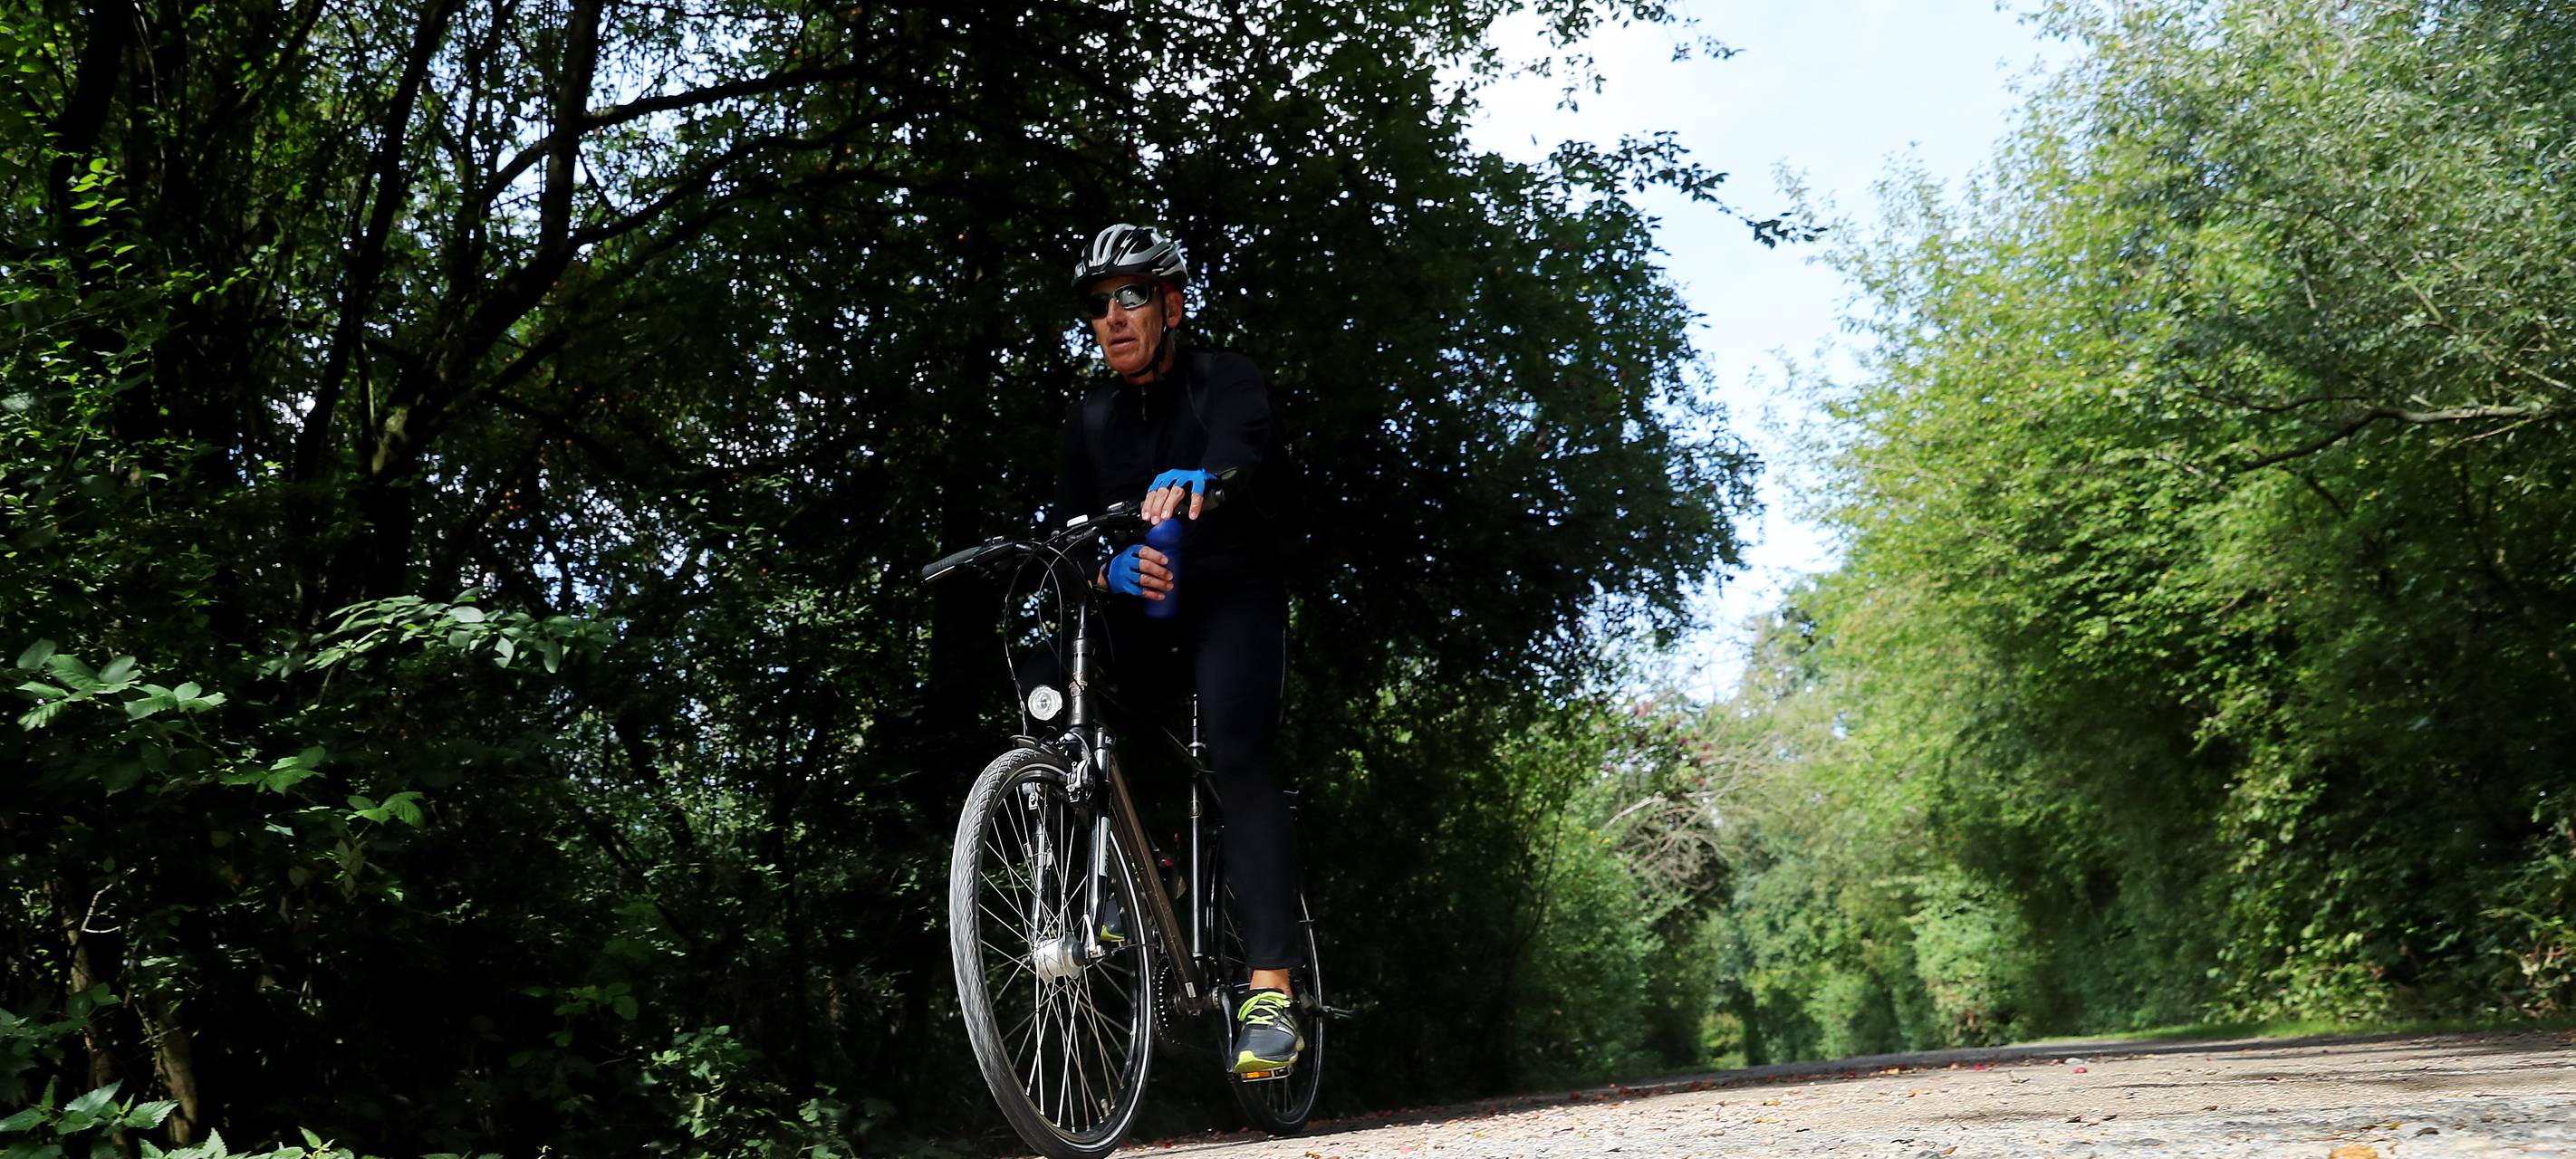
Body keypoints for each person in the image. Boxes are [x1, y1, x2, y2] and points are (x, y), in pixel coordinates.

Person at [1057, 223, 1303, 1075]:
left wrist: (1206, 485)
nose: (1114, 317)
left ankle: (1270, 991)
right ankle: (1139, 861)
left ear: (1170, 302)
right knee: (1060, 677)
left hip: (1232, 596)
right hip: (1145, 614)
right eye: (1098, 304)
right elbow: (1068, 539)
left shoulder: (1221, 379)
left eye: (1131, 296)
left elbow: (1244, 450)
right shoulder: (1091, 418)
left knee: (1238, 756)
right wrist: (1107, 572)